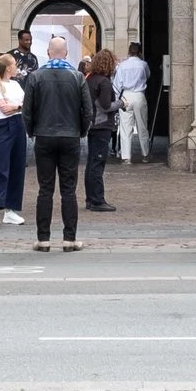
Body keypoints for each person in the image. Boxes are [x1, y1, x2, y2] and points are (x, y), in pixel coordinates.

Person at [24, 44, 93, 252]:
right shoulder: (77, 77)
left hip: (44, 136)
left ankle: (43, 239)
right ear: (65, 53)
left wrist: (32, 131)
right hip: (70, 136)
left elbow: (27, 110)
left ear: (47, 53)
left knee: (45, 189)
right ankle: (69, 239)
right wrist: (80, 131)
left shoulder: (35, 77)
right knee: (68, 190)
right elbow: (88, 111)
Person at [0, 53, 29, 227]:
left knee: (17, 167)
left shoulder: (16, 84)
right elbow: (4, 109)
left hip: (18, 125)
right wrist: (19, 106)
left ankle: (11, 209)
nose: (16, 67)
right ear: (8, 67)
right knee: (0, 167)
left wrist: (16, 107)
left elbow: (27, 103)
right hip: (3, 126)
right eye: (14, 65)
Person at [82, 49, 120, 213]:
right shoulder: (104, 82)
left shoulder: (90, 78)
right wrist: (121, 104)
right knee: (97, 163)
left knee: (91, 163)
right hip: (102, 125)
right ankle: (97, 200)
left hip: (91, 125)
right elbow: (106, 105)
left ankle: (90, 199)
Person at [113, 40, 152, 163]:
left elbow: (116, 84)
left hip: (126, 95)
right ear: (139, 52)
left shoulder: (122, 66)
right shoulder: (143, 65)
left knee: (125, 128)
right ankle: (145, 154)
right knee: (142, 126)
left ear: (129, 52)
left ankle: (126, 157)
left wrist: (115, 100)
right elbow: (148, 76)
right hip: (139, 95)